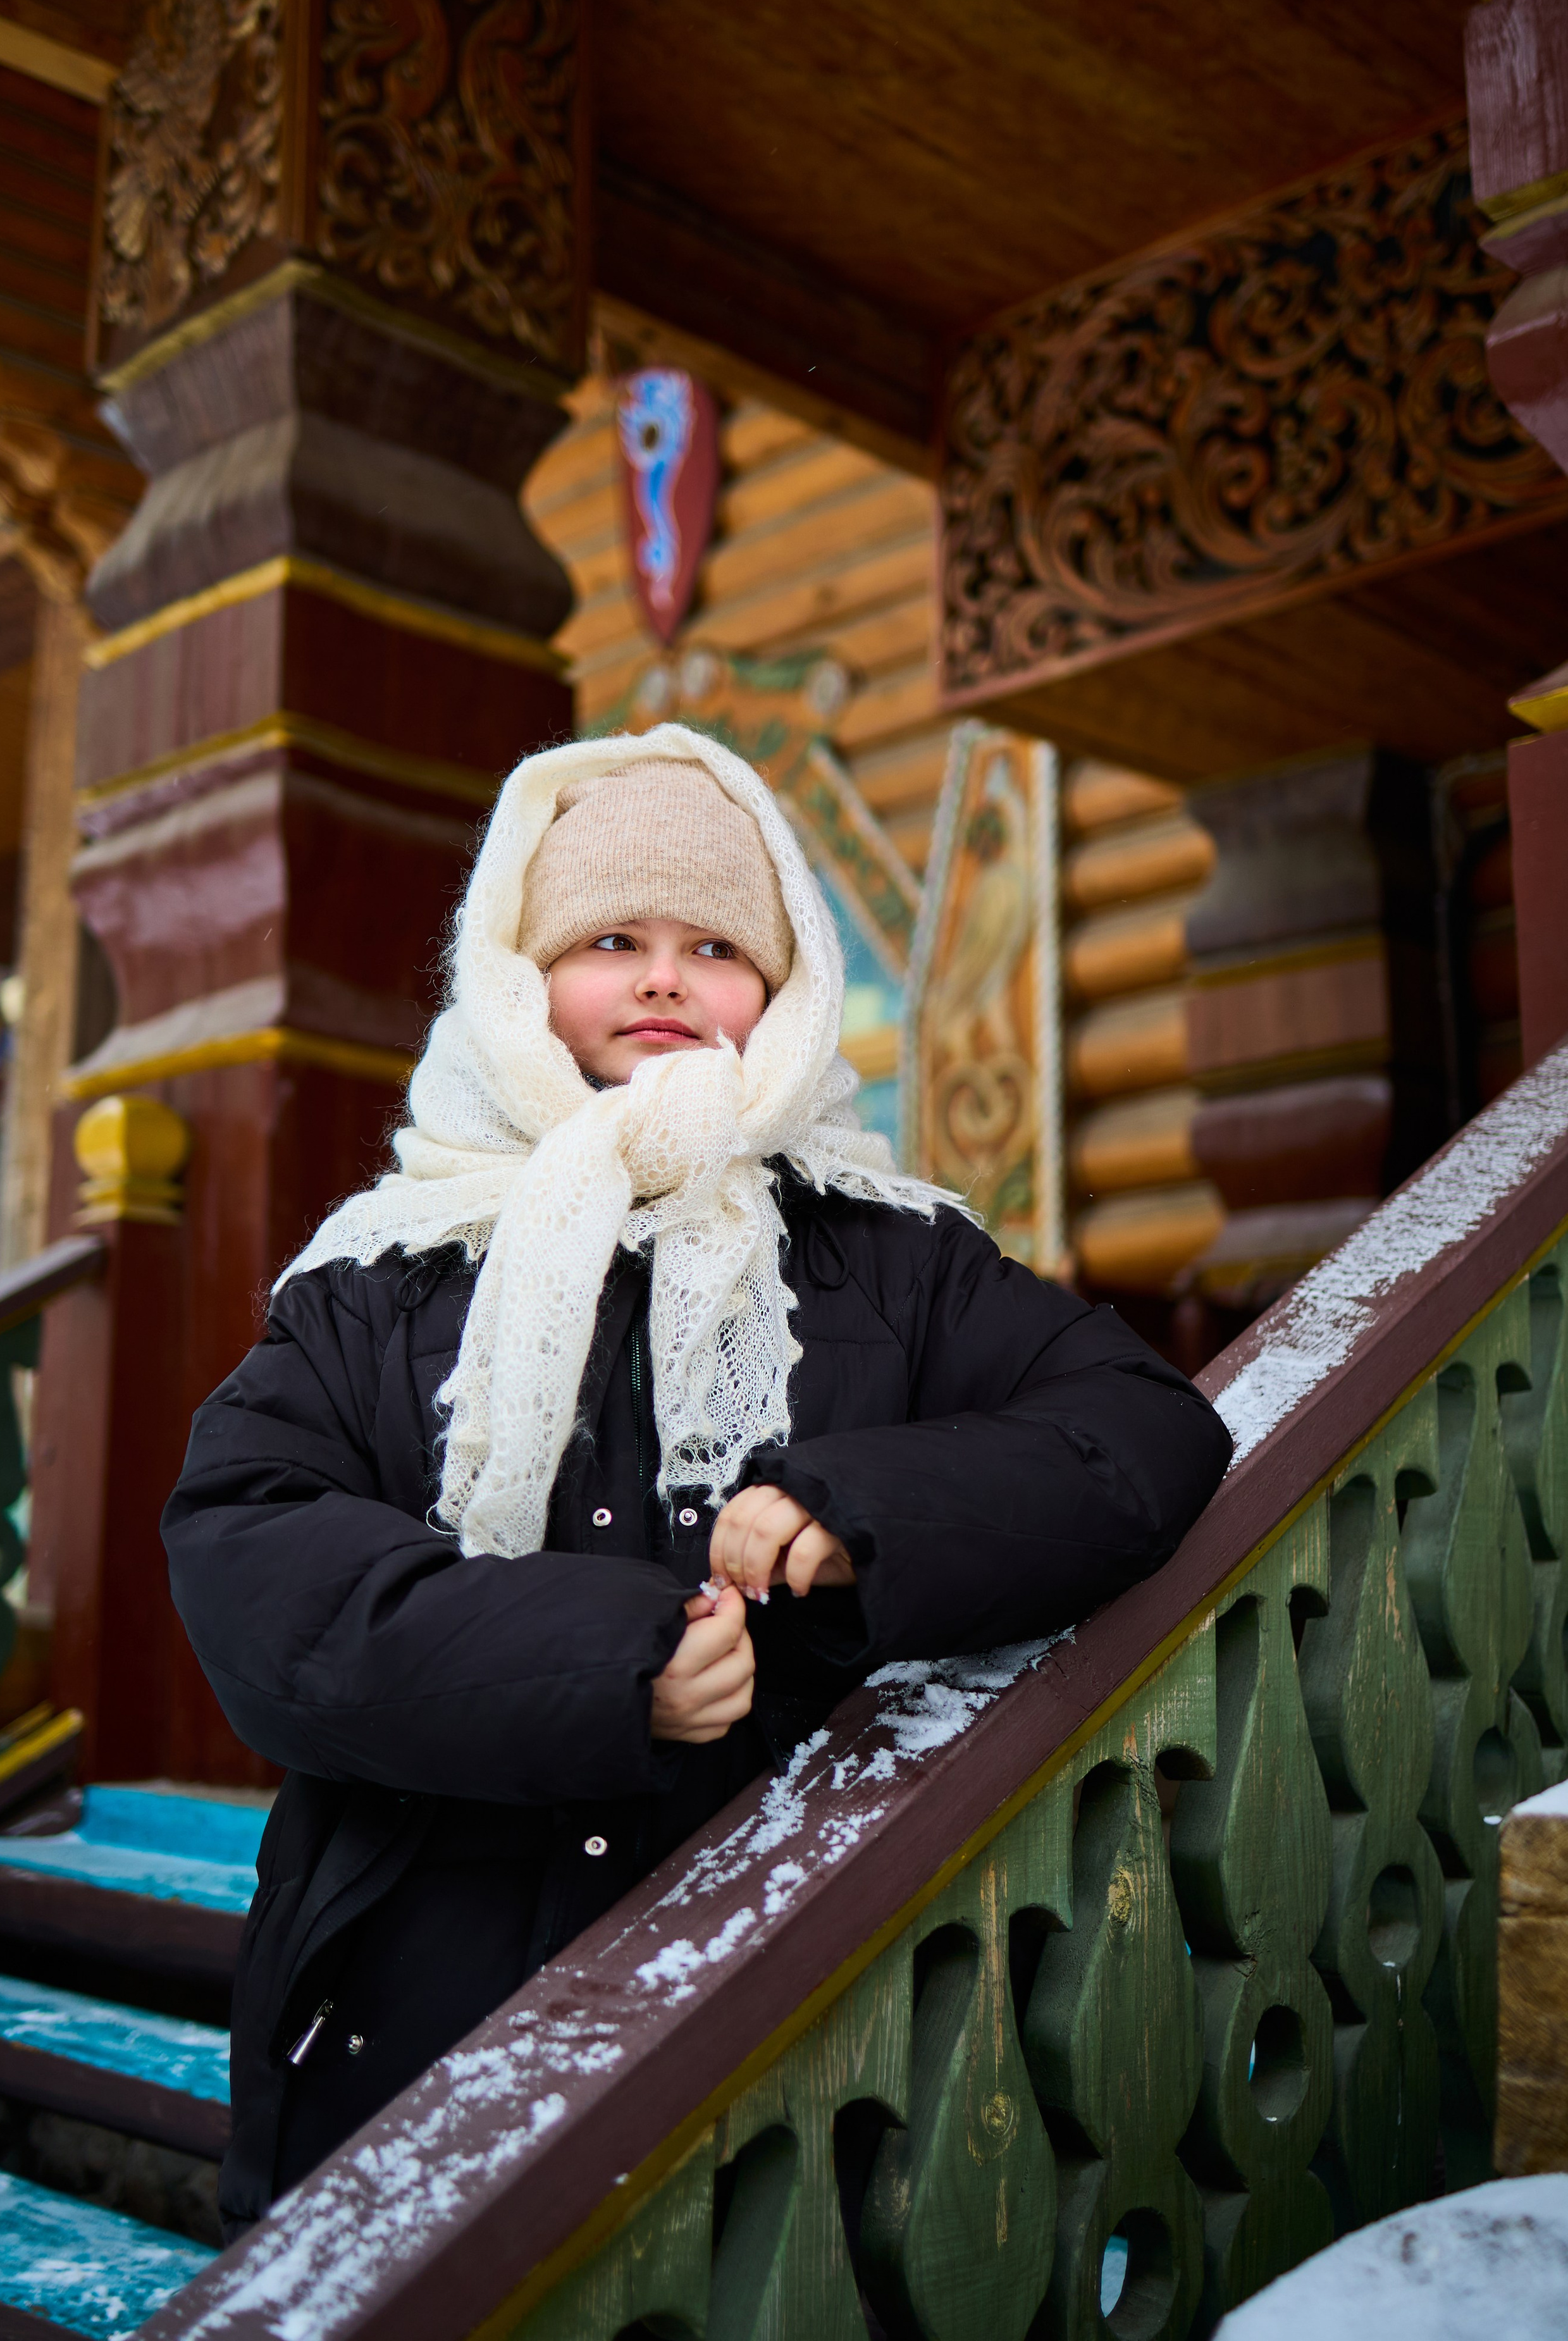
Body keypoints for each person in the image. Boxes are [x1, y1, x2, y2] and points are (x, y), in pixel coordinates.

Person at [161, 724, 1232, 2237]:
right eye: (611, 938)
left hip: (801, 1986)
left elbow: (1138, 1429)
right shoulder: (384, 1272)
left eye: (714, 944)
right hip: (423, 1993)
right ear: (519, 972)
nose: (664, 979)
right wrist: (607, 1662)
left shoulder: (892, 1254)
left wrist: (858, 1507)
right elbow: (252, 1556)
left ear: (778, 992)